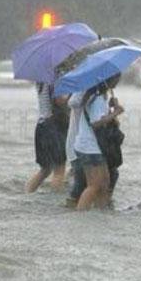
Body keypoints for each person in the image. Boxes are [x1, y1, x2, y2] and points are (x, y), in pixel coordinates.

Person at [72, 74, 124, 210]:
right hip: (90, 148)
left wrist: (113, 108)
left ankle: (101, 214)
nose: (118, 81)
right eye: (117, 78)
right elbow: (96, 123)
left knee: (105, 183)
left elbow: (108, 122)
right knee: (94, 185)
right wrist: (116, 112)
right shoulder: (98, 99)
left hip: (92, 146)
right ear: (109, 80)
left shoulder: (100, 98)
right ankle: (80, 215)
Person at [25, 83, 68, 193]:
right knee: (59, 170)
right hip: (52, 128)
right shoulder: (53, 81)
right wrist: (72, 96)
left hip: (42, 127)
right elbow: (59, 101)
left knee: (46, 169)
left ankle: (27, 193)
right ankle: (55, 202)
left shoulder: (41, 82)